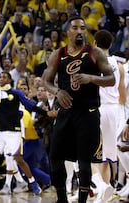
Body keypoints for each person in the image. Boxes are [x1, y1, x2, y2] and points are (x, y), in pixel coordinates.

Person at [42, 16, 115, 203]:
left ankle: (83, 200)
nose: (80, 31)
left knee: (84, 160)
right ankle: (61, 198)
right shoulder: (58, 54)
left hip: (88, 112)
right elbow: (46, 81)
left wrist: (92, 78)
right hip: (66, 112)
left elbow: (111, 79)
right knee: (55, 156)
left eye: (83, 28)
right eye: (75, 28)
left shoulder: (95, 53)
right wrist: (57, 92)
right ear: (69, 32)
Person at [92, 29, 126, 203]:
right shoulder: (119, 65)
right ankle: (104, 193)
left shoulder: (92, 63)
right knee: (107, 156)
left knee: (89, 152)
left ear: (95, 44)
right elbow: (123, 96)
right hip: (115, 111)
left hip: (97, 109)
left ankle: (101, 185)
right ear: (111, 45)